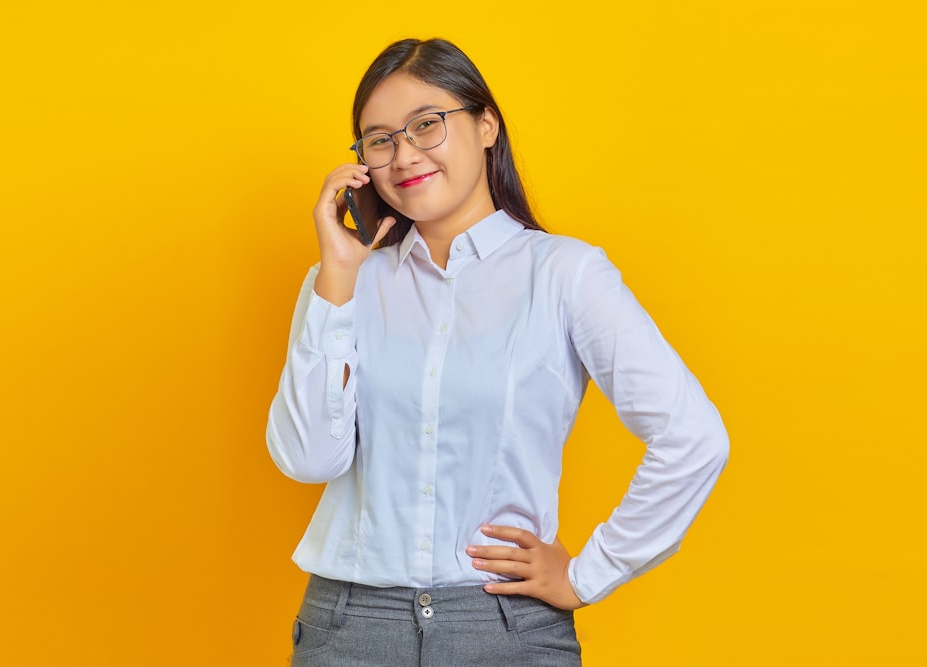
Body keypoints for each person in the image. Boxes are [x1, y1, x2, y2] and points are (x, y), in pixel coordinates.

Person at [266, 37, 728, 666]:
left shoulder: (565, 274)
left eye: (426, 125)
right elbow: (309, 458)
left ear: (486, 125)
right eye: (380, 140)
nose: (404, 156)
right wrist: (338, 278)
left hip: (502, 628)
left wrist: (588, 574)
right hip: (348, 627)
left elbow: (693, 436)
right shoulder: (340, 283)